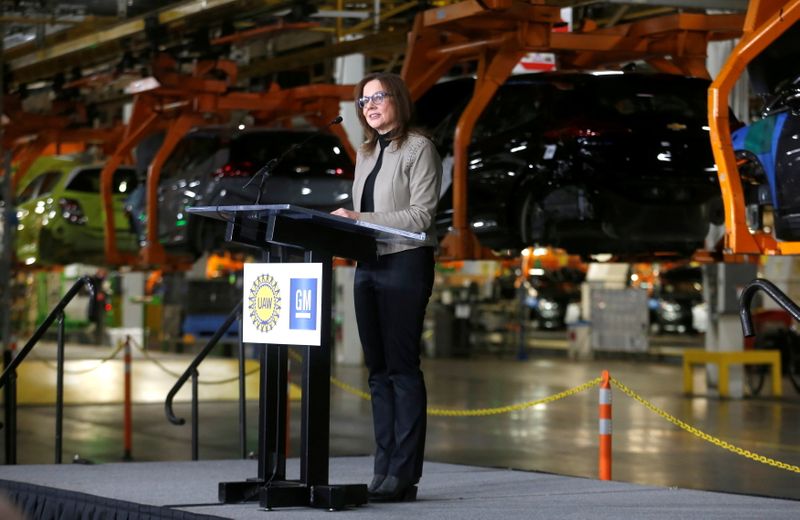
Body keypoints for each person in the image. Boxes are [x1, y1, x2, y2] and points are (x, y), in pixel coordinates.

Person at [331, 72, 442, 502]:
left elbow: (420, 217)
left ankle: (404, 475)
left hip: (405, 264)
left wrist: (358, 220)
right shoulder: (365, 151)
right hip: (369, 265)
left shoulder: (419, 148)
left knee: (401, 368)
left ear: (398, 98)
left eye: (378, 97)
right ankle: (382, 468)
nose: (370, 106)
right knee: (376, 373)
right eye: (363, 101)